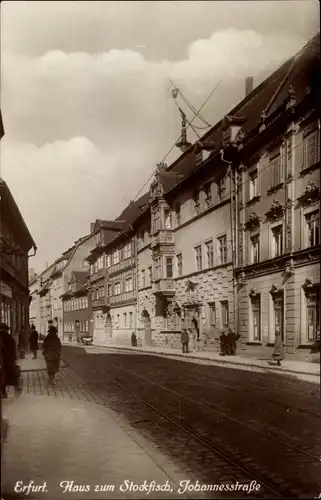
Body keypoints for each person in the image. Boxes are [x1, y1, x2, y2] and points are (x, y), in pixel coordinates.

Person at [0, 323, 21, 398]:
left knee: (2, 376)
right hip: (9, 360)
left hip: (2, 360)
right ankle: (12, 392)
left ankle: (3, 392)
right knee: (10, 376)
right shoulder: (9, 337)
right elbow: (13, 349)